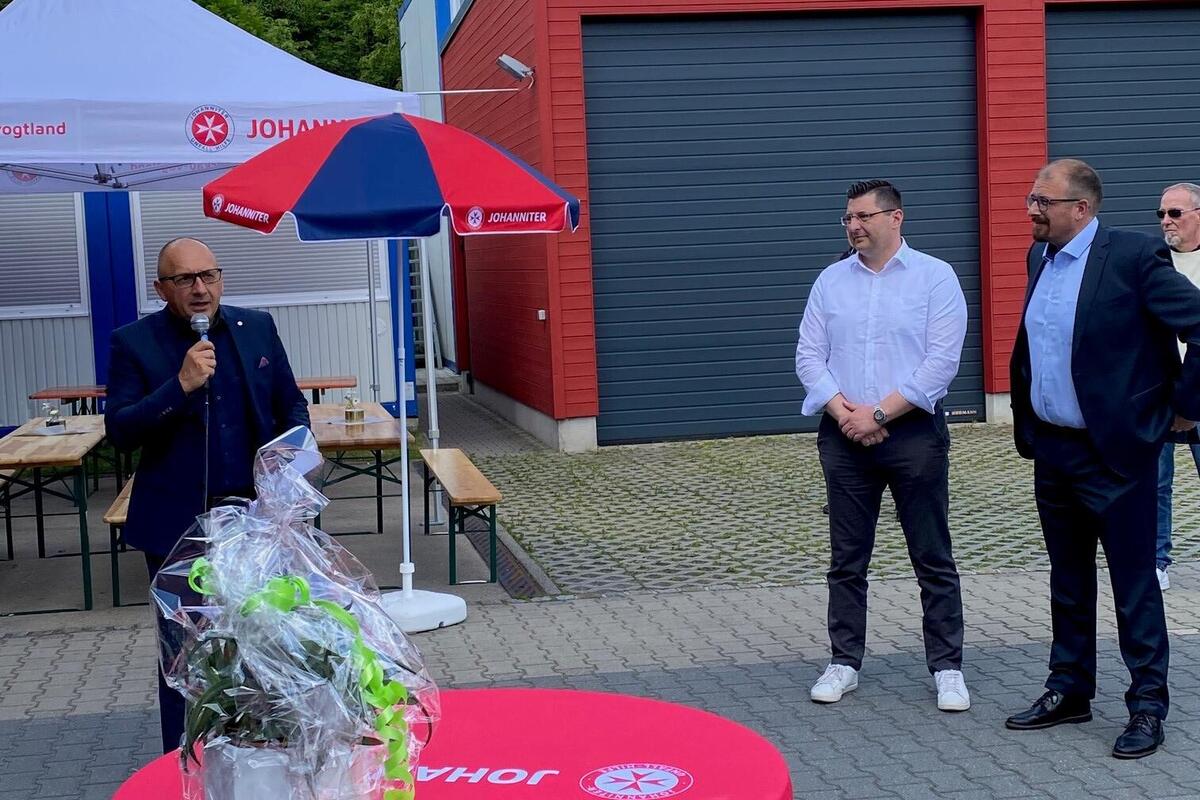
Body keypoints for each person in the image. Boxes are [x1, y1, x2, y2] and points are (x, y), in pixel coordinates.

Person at [1006, 160, 1200, 759]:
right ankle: (1069, 689)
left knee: (1134, 585)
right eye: (1032, 198)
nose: (1031, 209)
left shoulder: (1133, 257)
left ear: (1081, 208)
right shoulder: (1039, 257)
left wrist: (1184, 407)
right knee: (1067, 580)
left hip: (1116, 453)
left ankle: (1147, 706)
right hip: (1054, 449)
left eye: (1043, 201)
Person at [104, 237, 310, 753]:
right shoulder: (134, 343)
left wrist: (288, 470)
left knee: (264, 642)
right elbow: (121, 431)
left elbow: (292, 408)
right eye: (184, 279)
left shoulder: (256, 327)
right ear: (161, 289)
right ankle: (185, 760)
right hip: (179, 529)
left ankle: (261, 752)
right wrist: (180, 385)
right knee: (186, 652)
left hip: (257, 520)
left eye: (209, 276)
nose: (200, 288)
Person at [795, 179, 970, 712]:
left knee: (932, 555)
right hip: (843, 435)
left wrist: (876, 414)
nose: (853, 226)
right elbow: (808, 355)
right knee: (846, 559)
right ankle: (844, 661)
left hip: (913, 434)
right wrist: (844, 413)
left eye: (864, 216)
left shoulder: (935, 278)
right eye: (848, 218)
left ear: (896, 218)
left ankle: (947, 668)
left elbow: (941, 363)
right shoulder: (831, 281)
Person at [1154, 182, 1200, 591]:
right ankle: (1156, 561)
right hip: (1161, 389)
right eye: (1161, 214)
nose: (1166, 221)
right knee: (1155, 481)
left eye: (1175, 213)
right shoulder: (1153, 262)